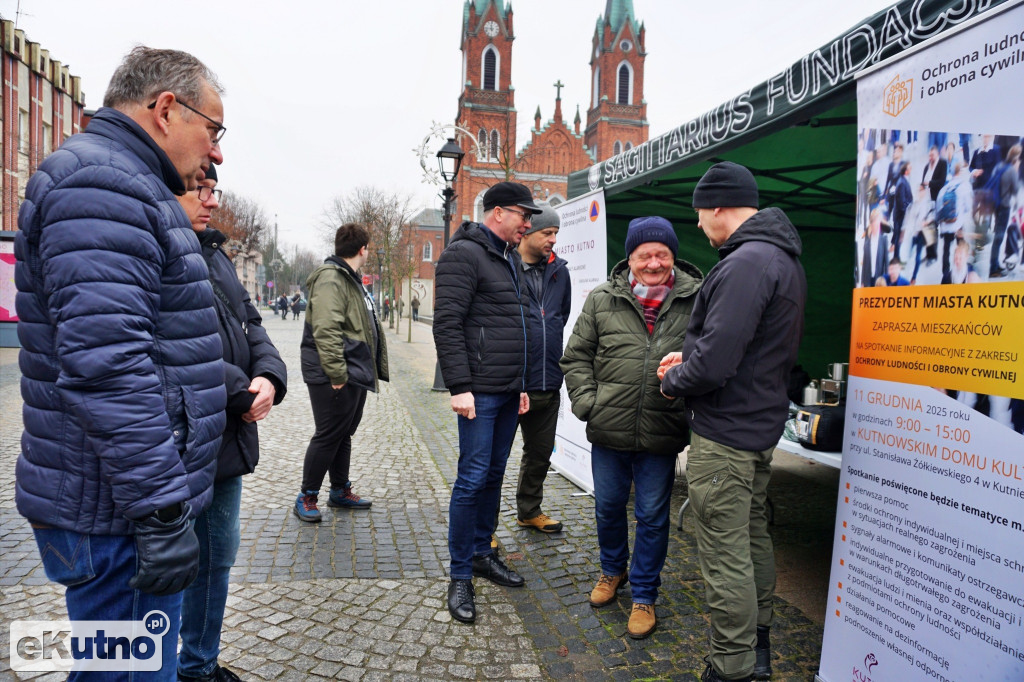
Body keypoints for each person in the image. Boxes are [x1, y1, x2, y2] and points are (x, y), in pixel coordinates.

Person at [14, 46, 226, 679]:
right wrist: (161, 512)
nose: (215, 151)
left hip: (119, 502)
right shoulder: (101, 183)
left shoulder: (121, 181)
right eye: (213, 129)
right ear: (165, 109)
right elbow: (108, 366)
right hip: (117, 513)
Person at [660, 162, 807, 682]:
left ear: (720, 206)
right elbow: (748, 351)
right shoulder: (782, 259)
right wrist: (692, 357)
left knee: (725, 558)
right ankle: (758, 648)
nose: (699, 225)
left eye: (701, 214)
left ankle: (731, 668)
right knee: (751, 539)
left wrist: (675, 377)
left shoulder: (747, 263)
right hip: (757, 427)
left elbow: (717, 364)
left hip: (724, 437)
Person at [561, 217, 702, 639]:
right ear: (631, 258)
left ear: (673, 257)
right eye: (645, 255)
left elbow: (709, 358)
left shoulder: (697, 299)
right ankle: (611, 572)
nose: (654, 263)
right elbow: (576, 357)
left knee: (653, 517)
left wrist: (686, 409)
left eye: (662, 254)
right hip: (609, 429)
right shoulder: (603, 298)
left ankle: (644, 594)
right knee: (607, 507)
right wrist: (589, 403)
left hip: (662, 430)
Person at [176, 167, 287, 682]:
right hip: (179, 435)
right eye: (200, 190)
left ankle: (200, 663)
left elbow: (252, 321)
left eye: (213, 191)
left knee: (220, 552)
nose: (211, 202)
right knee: (173, 560)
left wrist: (269, 376)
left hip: (227, 435)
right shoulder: (155, 248)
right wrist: (237, 389)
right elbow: (166, 344)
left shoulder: (216, 253)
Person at [433, 181, 539, 624]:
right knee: (472, 478)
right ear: (497, 212)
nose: (528, 224)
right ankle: (460, 573)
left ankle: (482, 552)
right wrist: (459, 386)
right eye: (522, 215)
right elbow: (447, 323)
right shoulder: (464, 253)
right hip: (476, 393)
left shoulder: (509, 258)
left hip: (507, 390)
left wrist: (522, 384)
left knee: (494, 474)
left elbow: (514, 325)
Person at [294, 223, 388, 522]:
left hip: (354, 368)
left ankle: (339, 490)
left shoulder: (350, 279)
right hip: (334, 373)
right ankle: (307, 496)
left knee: (343, 433)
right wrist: (336, 375)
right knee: (328, 433)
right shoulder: (332, 279)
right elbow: (326, 329)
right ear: (363, 249)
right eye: (368, 248)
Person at [512, 202, 572, 534]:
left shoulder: (560, 272)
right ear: (529, 232)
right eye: (547, 233)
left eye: (556, 234)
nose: (553, 240)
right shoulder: (506, 268)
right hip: (510, 384)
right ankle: (483, 529)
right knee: (492, 463)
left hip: (548, 380)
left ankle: (529, 510)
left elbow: (559, 317)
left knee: (539, 455)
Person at [987, 144, 1021, 278]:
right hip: (1004, 207)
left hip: (995, 205)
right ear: (1016, 157)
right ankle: (993, 268)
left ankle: (995, 263)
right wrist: (1016, 171)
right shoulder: (1012, 170)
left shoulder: (999, 166)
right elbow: (1015, 190)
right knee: (999, 237)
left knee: (998, 236)